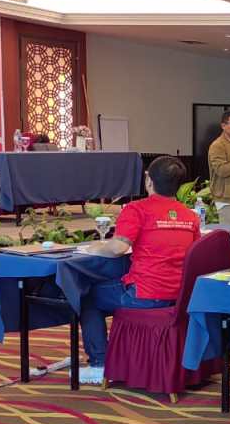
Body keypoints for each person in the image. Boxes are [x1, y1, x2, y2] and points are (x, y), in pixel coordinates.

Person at [76, 156, 200, 383]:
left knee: (87, 297)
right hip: (180, 297)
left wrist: (94, 248)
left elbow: (118, 247)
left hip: (145, 294)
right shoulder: (190, 216)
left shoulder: (137, 209)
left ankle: (99, 364)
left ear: (149, 181)